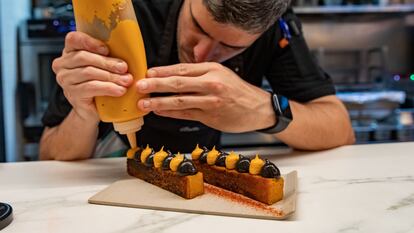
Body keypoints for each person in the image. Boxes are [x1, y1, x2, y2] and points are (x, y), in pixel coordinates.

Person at [39, 0, 355, 161]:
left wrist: (263, 110)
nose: (203, 54)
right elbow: (48, 153)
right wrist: (85, 113)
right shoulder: (120, 16)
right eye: (199, 29)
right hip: (110, 164)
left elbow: (340, 127)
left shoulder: (277, 23)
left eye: (231, 47)